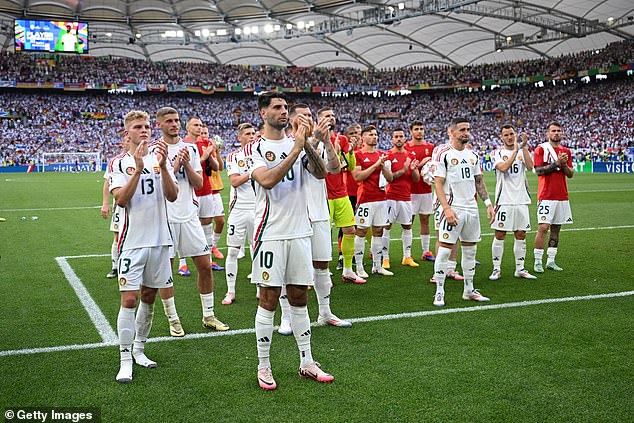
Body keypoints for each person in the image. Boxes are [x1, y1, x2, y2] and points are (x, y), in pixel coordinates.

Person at [247, 91, 334, 390]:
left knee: (299, 296)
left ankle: (307, 361)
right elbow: (268, 181)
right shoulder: (253, 148)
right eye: (277, 108)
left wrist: (312, 144)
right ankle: (264, 366)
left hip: (300, 232)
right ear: (263, 113)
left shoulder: (299, 142)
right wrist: (297, 148)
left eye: (286, 107)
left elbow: (322, 175)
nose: (284, 112)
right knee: (269, 299)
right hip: (269, 234)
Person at [108, 110, 178, 383]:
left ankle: (139, 350)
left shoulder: (161, 159)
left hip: (160, 241)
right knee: (129, 299)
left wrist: (163, 168)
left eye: (147, 126)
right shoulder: (118, 163)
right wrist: (138, 168)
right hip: (132, 243)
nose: (145, 130)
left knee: (149, 297)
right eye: (139, 127)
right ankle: (125, 359)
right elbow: (122, 200)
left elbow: (172, 196)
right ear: (128, 133)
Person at [152, 107, 229, 337]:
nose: (174, 124)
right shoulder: (156, 149)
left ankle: (208, 315)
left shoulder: (191, 149)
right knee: (167, 271)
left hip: (189, 215)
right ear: (160, 125)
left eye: (176, 120)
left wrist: (185, 164)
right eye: (169, 121)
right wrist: (173, 165)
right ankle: (173, 319)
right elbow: (160, 185)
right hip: (165, 217)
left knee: (205, 266)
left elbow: (198, 182)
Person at [279, 103, 351, 333]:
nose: (310, 119)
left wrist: (326, 140)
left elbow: (334, 169)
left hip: (319, 212)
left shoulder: (318, 144)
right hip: (293, 214)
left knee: (321, 264)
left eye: (311, 115)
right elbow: (302, 161)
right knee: (289, 268)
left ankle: (325, 312)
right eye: (303, 116)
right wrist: (318, 141)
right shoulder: (285, 144)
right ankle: (286, 317)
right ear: (292, 121)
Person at [431, 117, 493, 307]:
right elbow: (438, 184)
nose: (466, 132)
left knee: (470, 251)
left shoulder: (473, 154)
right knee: (444, 251)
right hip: (453, 208)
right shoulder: (443, 153)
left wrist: (488, 203)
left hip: (471, 209)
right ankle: (439, 292)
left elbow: (479, 180)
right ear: (451, 132)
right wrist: (446, 209)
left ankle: (468, 290)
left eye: (468, 129)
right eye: (462, 130)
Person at [317, 108, 365, 284]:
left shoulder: (342, 139)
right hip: (322, 194)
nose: (331, 118)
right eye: (327, 116)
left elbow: (350, 167)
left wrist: (350, 151)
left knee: (350, 230)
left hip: (340, 192)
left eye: (332, 115)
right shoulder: (315, 139)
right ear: (319, 120)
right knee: (322, 234)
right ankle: (322, 271)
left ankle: (348, 270)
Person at [489, 124, 537, 280]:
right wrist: (516, 151)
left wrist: (524, 148)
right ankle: (496, 269)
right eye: (506, 135)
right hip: (504, 200)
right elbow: (503, 168)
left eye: (512, 134)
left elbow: (531, 167)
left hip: (521, 199)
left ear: (515, 135)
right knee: (500, 234)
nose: (509, 137)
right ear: (501, 137)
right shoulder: (496, 153)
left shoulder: (522, 152)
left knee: (521, 234)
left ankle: (520, 269)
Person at [222, 122, 257, 305]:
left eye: (253, 133)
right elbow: (234, 181)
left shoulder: (261, 154)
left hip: (259, 208)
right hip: (239, 209)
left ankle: (260, 288)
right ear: (239, 137)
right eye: (248, 134)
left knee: (257, 249)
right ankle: (230, 291)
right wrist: (252, 172)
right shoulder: (234, 156)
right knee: (233, 251)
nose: (252, 136)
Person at [352, 125, 394, 278]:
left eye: (376, 134)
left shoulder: (382, 155)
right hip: (365, 199)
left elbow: (390, 179)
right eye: (370, 134)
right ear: (363, 138)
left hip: (381, 199)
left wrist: (383, 167)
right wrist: (376, 165)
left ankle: (377, 266)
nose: (374, 137)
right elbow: (357, 177)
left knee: (379, 231)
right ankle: (359, 267)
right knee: (361, 231)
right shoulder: (358, 155)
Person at [532, 121, 574, 273]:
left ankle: (551, 260)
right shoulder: (541, 149)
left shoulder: (566, 151)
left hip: (561, 196)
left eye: (558, 131)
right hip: (546, 195)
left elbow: (570, 174)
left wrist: (563, 164)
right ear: (547, 133)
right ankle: (537, 261)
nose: (556, 133)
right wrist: (556, 163)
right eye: (553, 131)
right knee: (543, 227)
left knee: (556, 229)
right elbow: (538, 171)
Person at [382, 127, 420, 269]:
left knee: (407, 226)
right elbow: (390, 178)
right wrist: (403, 170)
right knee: (387, 226)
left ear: (405, 139)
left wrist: (414, 169)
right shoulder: (388, 156)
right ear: (392, 139)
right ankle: (385, 258)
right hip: (390, 197)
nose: (398, 139)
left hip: (406, 197)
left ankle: (407, 256)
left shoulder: (411, 155)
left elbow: (416, 179)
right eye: (396, 137)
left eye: (401, 136)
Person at [190, 119, 223, 273]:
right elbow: (189, 167)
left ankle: (209, 259)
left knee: (207, 222)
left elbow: (216, 167)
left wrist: (210, 154)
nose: (199, 128)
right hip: (191, 192)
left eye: (201, 125)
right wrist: (205, 155)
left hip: (207, 189)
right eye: (196, 125)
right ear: (188, 127)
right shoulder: (185, 145)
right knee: (189, 225)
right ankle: (182, 263)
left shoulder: (207, 143)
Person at [404, 121, 435, 261]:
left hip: (426, 190)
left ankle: (426, 251)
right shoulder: (406, 147)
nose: (419, 131)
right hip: (410, 191)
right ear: (411, 131)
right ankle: (407, 254)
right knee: (408, 221)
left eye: (421, 129)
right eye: (416, 129)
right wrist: (421, 164)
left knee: (425, 220)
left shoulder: (430, 147)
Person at [102, 135, 129, 279]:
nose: (130, 142)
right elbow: (107, 183)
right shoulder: (115, 161)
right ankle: (115, 266)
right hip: (119, 205)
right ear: (123, 142)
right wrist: (105, 203)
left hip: (137, 206)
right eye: (127, 140)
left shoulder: (142, 159)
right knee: (117, 236)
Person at [202, 125, 227, 263]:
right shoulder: (198, 147)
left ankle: (214, 246)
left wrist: (216, 152)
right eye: (202, 133)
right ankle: (204, 249)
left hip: (215, 189)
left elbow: (221, 168)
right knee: (204, 222)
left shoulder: (212, 149)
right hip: (202, 189)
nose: (205, 135)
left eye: (206, 133)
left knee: (220, 220)